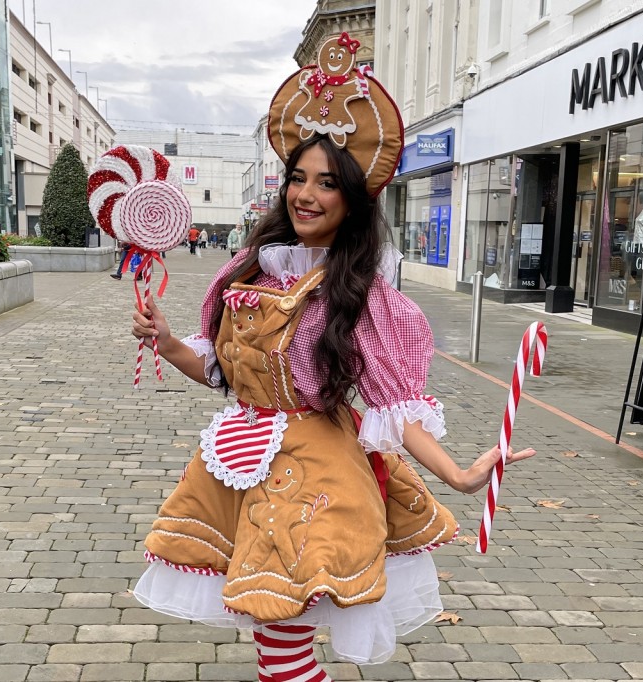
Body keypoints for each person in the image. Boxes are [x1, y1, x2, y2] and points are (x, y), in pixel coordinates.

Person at [130, 32, 535, 680]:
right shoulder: (250, 271)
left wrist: (455, 475)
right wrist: (168, 340)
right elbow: (220, 370)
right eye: (298, 178)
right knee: (274, 643)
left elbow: (392, 409)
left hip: (316, 480)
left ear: (353, 198)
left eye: (326, 182)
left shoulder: (358, 294)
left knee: (281, 641)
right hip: (238, 467)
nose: (306, 194)